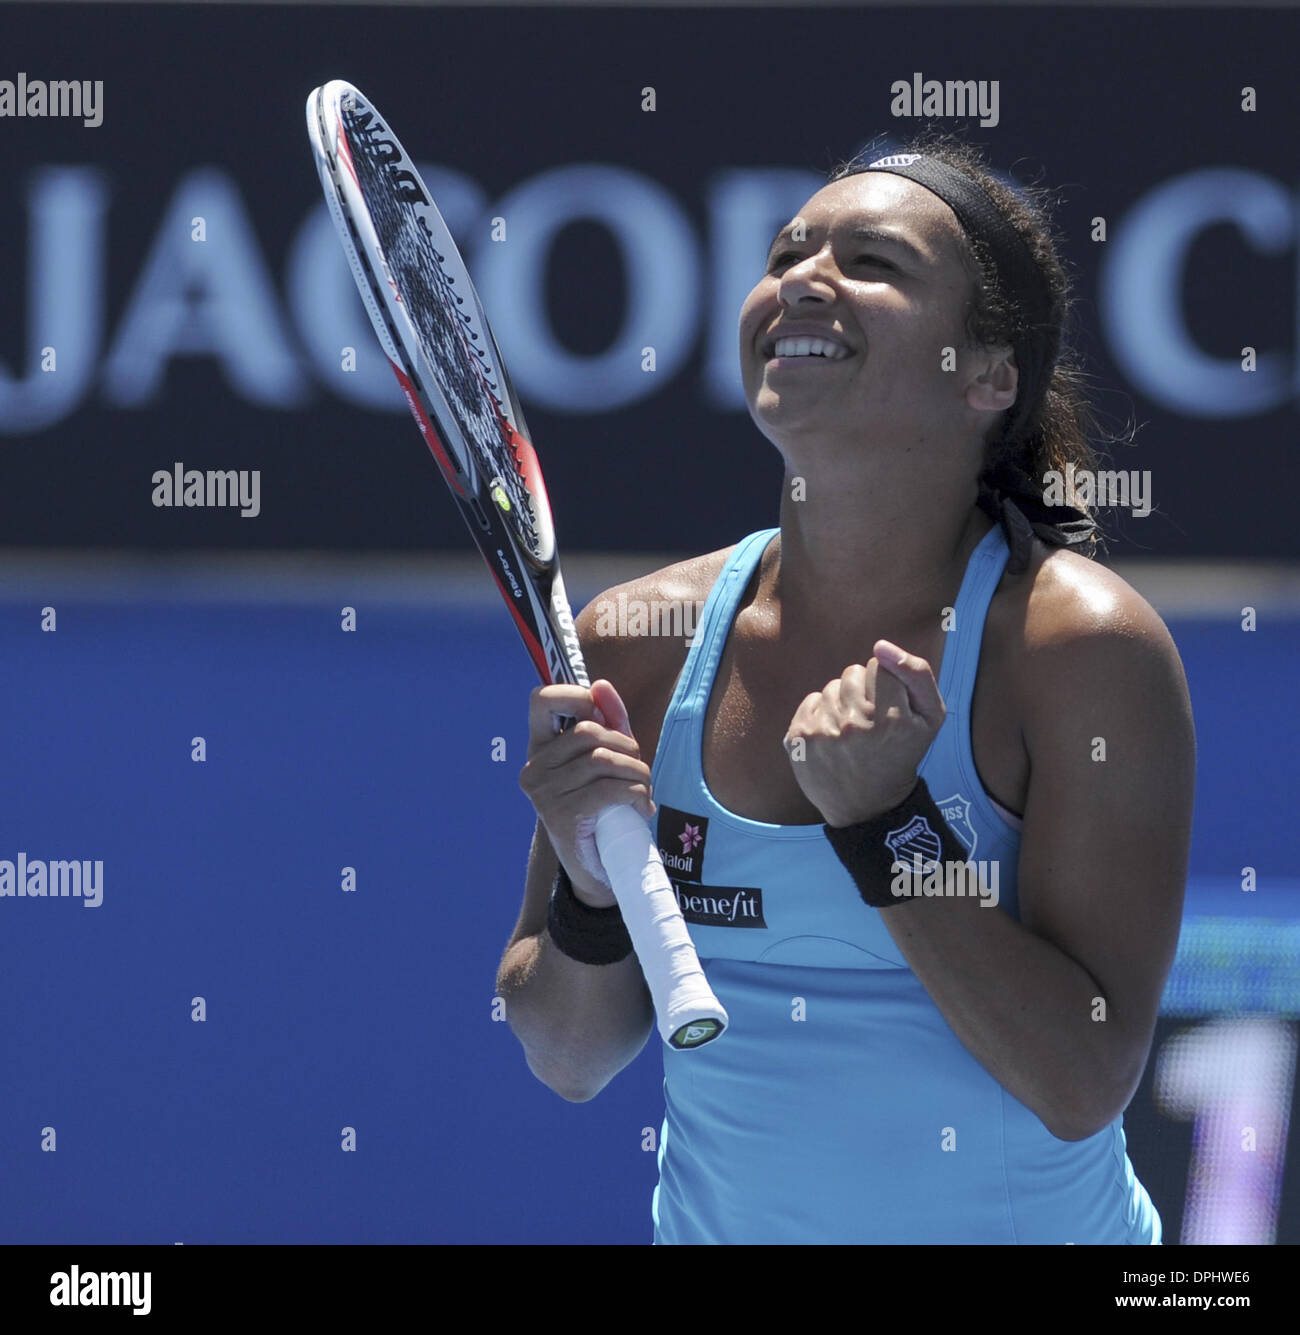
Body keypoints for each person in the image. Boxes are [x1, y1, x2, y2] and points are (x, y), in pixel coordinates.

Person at [496, 133, 1195, 1244]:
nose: (801, 279)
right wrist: (591, 893)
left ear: (986, 376)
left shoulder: (1078, 649)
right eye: (786, 252)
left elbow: (1081, 1079)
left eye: (873, 262)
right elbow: (569, 1058)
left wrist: (885, 825)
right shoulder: (638, 641)